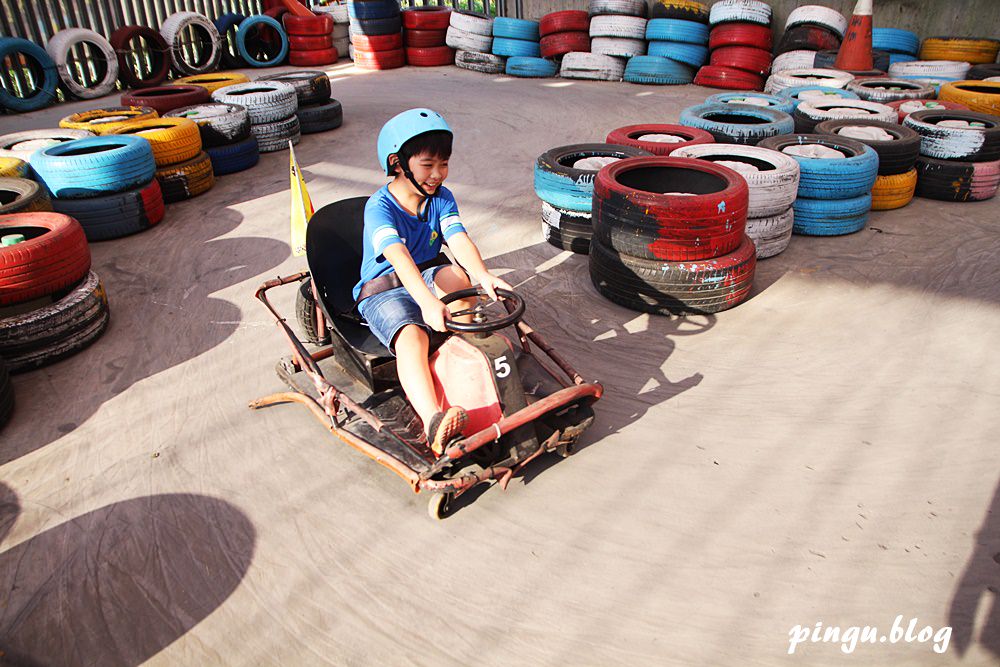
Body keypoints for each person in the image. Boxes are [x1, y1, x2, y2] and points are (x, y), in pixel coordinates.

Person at [354, 108, 512, 454]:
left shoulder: (442, 198)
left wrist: (482, 274)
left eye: (444, 164)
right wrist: (427, 302)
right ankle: (434, 421)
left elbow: (457, 238)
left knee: (458, 277)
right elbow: (398, 256)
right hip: (384, 288)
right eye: (428, 165)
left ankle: (465, 362)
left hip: (426, 272)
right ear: (398, 163)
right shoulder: (378, 207)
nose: (438, 174)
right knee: (411, 337)